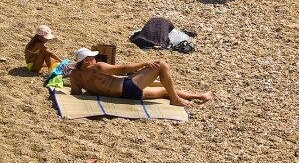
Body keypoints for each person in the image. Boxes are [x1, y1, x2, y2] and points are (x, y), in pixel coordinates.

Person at [69, 47, 211, 107]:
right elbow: (122, 69)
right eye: (92, 57)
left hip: (122, 96)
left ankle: (199, 96)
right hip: (129, 87)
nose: (95, 58)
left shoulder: (74, 75)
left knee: (163, 91)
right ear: (86, 61)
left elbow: (76, 93)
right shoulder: (97, 67)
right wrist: (144, 63)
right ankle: (175, 99)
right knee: (161, 64)